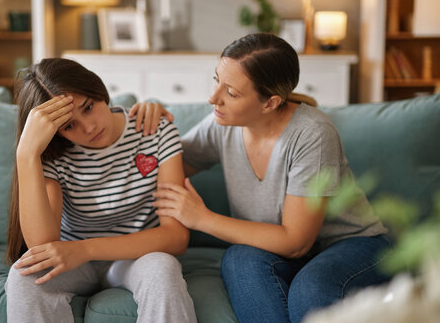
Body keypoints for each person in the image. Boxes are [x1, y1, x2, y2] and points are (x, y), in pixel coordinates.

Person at [131, 33, 390, 323]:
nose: (213, 97)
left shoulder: (312, 133)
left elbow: (296, 242)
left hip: (351, 246)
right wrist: (147, 120)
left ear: (269, 103)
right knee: (239, 260)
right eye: (216, 79)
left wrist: (201, 218)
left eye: (231, 92)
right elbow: (161, 165)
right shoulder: (223, 123)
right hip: (275, 251)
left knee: (310, 289)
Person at [5, 58, 196, 323]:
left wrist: (85, 249)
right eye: (69, 126)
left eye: (88, 107)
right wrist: (26, 154)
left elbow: (175, 237)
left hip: (137, 256)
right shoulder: (53, 152)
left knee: (162, 269)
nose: (89, 127)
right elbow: (42, 246)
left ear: (98, 90)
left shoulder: (155, 130)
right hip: (74, 263)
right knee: (24, 276)